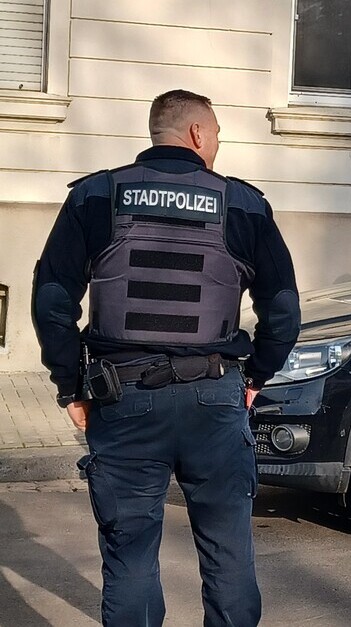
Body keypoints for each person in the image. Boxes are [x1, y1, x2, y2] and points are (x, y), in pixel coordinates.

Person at [32, 89, 301, 625]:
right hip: (215, 400)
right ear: (199, 134)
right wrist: (256, 377)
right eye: (218, 133)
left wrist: (70, 386)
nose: (218, 144)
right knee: (229, 556)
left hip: (123, 398)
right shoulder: (243, 205)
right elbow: (284, 310)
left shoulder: (96, 197)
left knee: (129, 562)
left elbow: (53, 301)